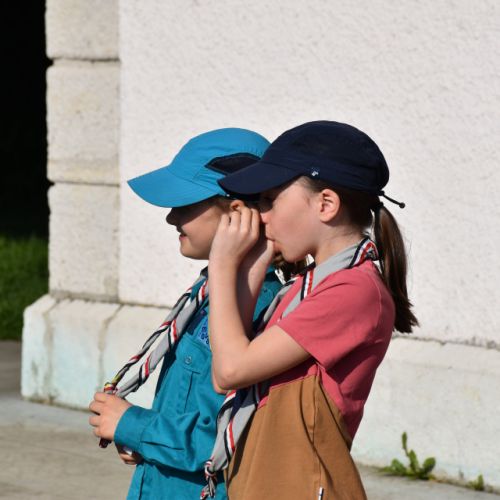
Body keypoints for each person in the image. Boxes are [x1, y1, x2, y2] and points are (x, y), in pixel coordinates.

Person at [203, 121, 418, 499]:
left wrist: (221, 265)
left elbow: (230, 371)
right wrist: (252, 266)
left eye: (270, 200)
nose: (261, 215)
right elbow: (232, 356)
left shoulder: (354, 291)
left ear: (326, 204)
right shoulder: (308, 286)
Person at [88, 128, 283, 500]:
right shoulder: (208, 292)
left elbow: (223, 439)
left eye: (185, 204)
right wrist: (143, 440)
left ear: (236, 213)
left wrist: (132, 426)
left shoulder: (257, 306)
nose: (171, 218)